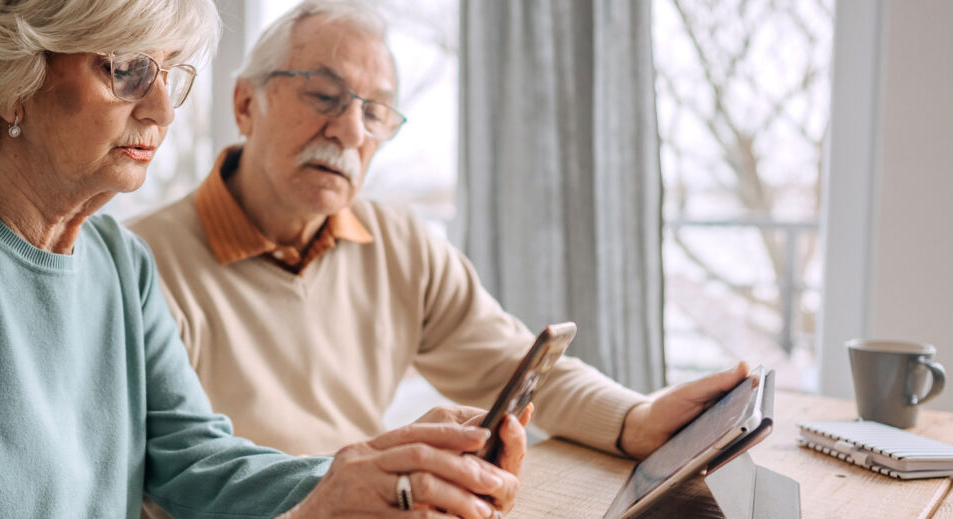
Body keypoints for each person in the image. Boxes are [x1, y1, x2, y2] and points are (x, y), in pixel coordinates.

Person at [0, 0, 526, 517]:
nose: (162, 108)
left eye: (172, 75)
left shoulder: (115, 256)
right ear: (15, 79)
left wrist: (362, 475)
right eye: (124, 69)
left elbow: (193, 458)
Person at [128, 0, 750, 464]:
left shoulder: (402, 246)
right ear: (244, 104)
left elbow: (517, 366)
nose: (349, 130)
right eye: (323, 95)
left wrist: (635, 417)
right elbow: (176, 471)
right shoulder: (142, 264)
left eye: (374, 112)